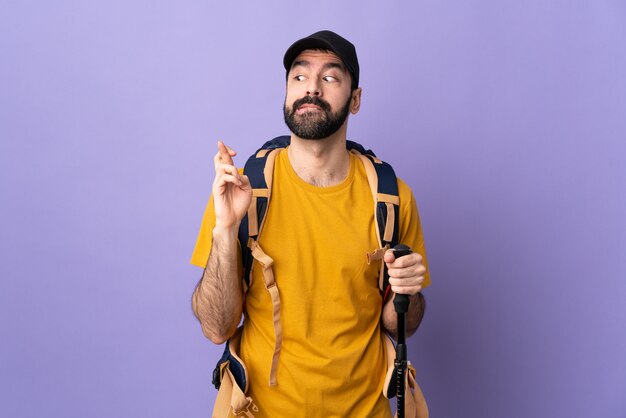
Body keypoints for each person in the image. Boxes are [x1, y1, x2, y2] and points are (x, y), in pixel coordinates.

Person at [190, 30, 431, 417]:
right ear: (286, 93)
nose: (311, 89)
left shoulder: (391, 197)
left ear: (355, 100)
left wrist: (409, 292)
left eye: (330, 78)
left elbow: (398, 321)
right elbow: (216, 328)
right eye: (299, 77)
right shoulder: (243, 192)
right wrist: (223, 230)